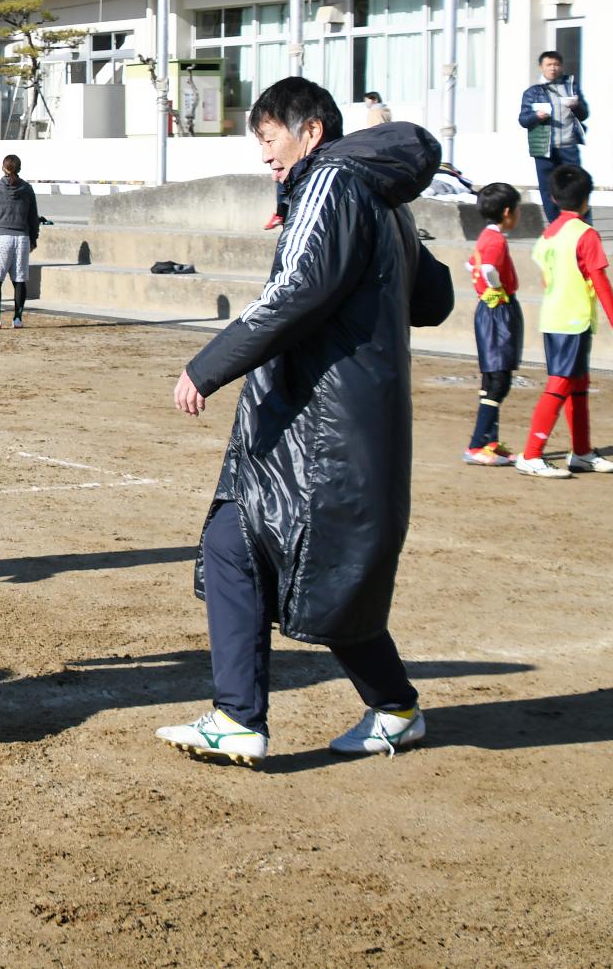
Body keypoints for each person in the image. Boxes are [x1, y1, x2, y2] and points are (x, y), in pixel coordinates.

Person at [161, 78, 455, 766]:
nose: (265, 155)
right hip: (326, 427)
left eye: (268, 138)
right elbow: (433, 297)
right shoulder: (367, 194)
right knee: (245, 546)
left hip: (322, 430)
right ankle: (354, 709)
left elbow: (296, 291)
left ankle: (367, 707)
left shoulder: (333, 186)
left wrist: (206, 365)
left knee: (314, 566)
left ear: (312, 132)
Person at [516, 163, 613, 478]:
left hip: (555, 316)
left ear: (554, 199)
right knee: (560, 383)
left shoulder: (549, 234)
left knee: (578, 384)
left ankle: (581, 452)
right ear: (586, 200)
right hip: (573, 319)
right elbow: (599, 280)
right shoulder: (585, 234)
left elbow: (547, 280)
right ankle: (531, 454)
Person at [464, 183, 524, 467]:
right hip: (498, 309)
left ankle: (489, 441)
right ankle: (477, 444)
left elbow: (471, 265)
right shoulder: (497, 240)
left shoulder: (485, 237)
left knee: (493, 377)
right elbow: (487, 268)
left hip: (488, 310)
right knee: (499, 380)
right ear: (508, 212)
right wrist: (495, 287)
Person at [519, 50, 590, 226]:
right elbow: (523, 120)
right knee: (548, 189)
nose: (553, 68)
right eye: (549, 65)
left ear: (562, 66)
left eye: (557, 65)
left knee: (576, 185)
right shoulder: (533, 92)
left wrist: (576, 106)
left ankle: (582, 224)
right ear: (541, 67)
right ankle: (555, 225)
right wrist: (537, 116)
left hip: (568, 145)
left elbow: (584, 114)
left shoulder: (571, 87)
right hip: (544, 147)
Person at [0, 154, 37, 329]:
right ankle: (18, 318)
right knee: (19, 279)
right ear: (19, 168)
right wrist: (34, 238)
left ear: (2, 167)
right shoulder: (27, 188)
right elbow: (33, 217)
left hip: (0, 236)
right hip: (22, 237)